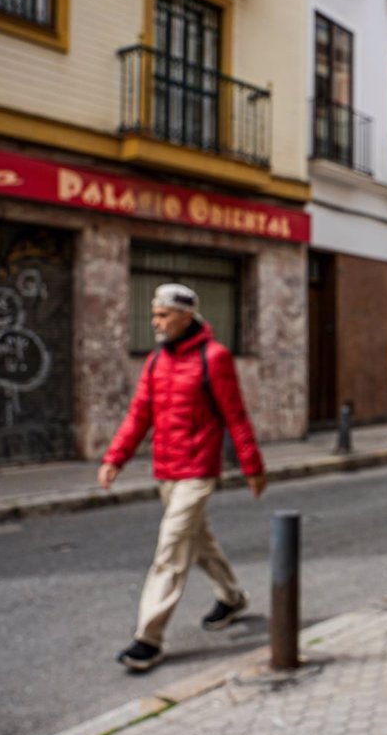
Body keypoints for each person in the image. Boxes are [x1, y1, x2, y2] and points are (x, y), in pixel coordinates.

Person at [98, 283, 268, 672]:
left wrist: (252, 467)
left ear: (186, 316)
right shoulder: (157, 361)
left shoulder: (215, 358)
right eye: (154, 314)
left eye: (163, 315)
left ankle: (149, 638)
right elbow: (140, 414)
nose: (155, 322)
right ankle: (231, 597)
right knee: (199, 541)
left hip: (198, 470)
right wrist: (115, 459)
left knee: (170, 550)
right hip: (167, 470)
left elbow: (235, 416)